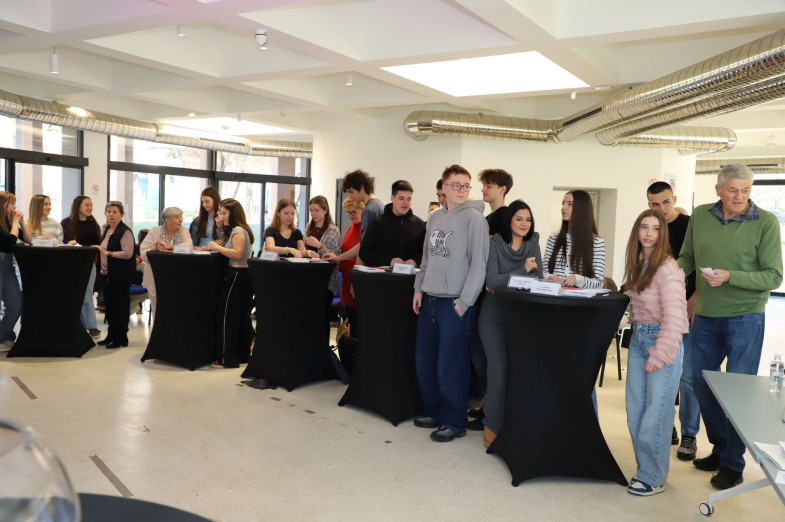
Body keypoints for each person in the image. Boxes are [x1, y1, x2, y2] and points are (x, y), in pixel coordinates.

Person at [678, 164, 783, 490]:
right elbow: (687, 258)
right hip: (706, 316)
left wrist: (729, 276)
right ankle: (721, 447)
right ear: (719, 190)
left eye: (746, 190)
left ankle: (734, 464)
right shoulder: (700, 215)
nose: (740, 196)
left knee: (738, 393)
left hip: (746, 317)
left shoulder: (766, 222)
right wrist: (669, 274)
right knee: (701, 383)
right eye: (733, 190)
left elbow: (773, 276)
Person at [412, 164, 489, 443]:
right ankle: (436, 412)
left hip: (455, 304)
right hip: (430, 299)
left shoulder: (475, 219)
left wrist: (464, 303)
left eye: (466, 186)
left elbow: (479, 265)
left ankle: (455, 422)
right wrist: (419, 288)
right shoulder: (434, 217)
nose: (462, 190)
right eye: (456, 185)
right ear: (444, 187)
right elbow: (427, 259)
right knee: (426, 362)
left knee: (451, 366)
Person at [621, 209, 688, 496]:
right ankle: (646, 470)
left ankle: (653, 477)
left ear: (663, 234)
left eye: (655, 228)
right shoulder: (640, 264)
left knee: (656, 413)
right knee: (635, 409)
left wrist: (659, 354)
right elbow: (637, 306)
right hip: (639, 339)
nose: (649, 233)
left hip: (662, 341)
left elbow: (675, 318)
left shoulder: (667, 267)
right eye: (644, 227)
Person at [478, 199, 543, 448]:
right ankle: (492, 426)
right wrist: (523, 271)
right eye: (519, 219)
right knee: (498, 368)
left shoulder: (533, 242)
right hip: (493, 312)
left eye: (528, 219)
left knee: (519, 369)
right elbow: (491, 282)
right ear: (509, 221)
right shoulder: (495, 243)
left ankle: (514, 424)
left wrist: (509, 281)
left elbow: (539, 278)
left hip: (521, 313)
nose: (524, 224)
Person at [647, 181, 700, 459]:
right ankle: (667, 426)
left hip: (687, 310)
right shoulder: (650, 228)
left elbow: (701, 263)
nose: (662, 208)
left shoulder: (691, 225)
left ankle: (689, 434)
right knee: (663, 375)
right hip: (658, 313)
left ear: (674, 199)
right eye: (655, 204)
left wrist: (695, 297)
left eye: (666, 202)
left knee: (688, 378)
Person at [206, 198, 255, 369]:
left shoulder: (238, 230)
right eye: (220, 212)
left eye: (224, 213)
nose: (220, 215)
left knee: (227, 316)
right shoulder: (237, 230)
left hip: (238, 275)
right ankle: (242, 355)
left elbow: (237, 253)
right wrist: (220, 230)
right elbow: (229, 245)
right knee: (240, 317)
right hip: (242, 276)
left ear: (233, 214)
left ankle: (227, 358)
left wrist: (216, 247)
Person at [543, 189, 606, 289]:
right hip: (553, 295)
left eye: (570, 204)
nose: (563, 208)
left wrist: (577, 279)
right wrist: (549, 277)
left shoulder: (597, 243)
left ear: (581, 209)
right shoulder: (553, 239)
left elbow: (598, 283)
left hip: (578, 298)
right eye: (563, 203)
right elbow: (543, 272)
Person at [139, 207, 193, 320]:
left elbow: (189, 247)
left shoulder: (184, 231)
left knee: (175, 307)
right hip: (155, 276)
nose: (181, 220)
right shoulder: (154, 231)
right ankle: (158, 330)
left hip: (177, 276)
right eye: (176, 217)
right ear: (167, 220)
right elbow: (143, 251)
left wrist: (169, 247)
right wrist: (155, 248)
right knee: (157, 306)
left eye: (181, 216)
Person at [358, 180, 425, 267]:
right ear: (392, 198)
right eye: (401, 199)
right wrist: (389, 261)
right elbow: (365, 253)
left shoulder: (420, 225)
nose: (405, 203)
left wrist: (416, 261)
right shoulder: (377, 223)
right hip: (383, 275)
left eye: (409, 199)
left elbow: (426, 253)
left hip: (411, 275)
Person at [62, 196, 103, 338]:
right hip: (70, 263)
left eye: (91, 205)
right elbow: (62, 242)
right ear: (78, 206)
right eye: (86, 205)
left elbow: (98, 245)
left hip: (88, 262)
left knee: (87, 294)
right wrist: (69, 243)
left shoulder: (93, 224)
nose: (90, 207)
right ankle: (75, 326)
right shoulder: (66, 223)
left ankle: (92, 326)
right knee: (72, 294)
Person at [96, 201, 135, 348]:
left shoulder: (125, 231)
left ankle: (121, 337)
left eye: (115, 212)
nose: (111, 215)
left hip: (120, 274)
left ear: (122, 215)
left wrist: (108, 253)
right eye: (109, 212)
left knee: (120, 306)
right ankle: (111, 335)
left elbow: (127, 253)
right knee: (110, 306)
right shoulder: (107, 229)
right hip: (107, 274)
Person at [323, 198, 364, 333]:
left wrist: (338, 258)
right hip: (346, 281)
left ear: (363, 210)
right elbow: (345, 253)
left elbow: (359, 254)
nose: (351, 215)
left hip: (356, 280)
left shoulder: (365, 230)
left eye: (354, 212)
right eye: (348, 212)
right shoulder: (350, 228)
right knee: (350, 322)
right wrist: (335, 258)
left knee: (358, 325)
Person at [0, 192, 29, 352]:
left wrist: (21, 222)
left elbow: (28, 239)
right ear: (3, 205)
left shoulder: (7, 222)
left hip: (7, 264)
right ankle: (5, 337)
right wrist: (15, 222)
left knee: (16, 304)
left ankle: (3, 336)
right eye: (12, 203)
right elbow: (10, 240)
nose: (15, 207)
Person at [304, 195, 341, 295]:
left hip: (326, 280)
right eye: (311, 211)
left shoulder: (333, 230)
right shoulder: (309, 228)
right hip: (309, 277)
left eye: (316, 210)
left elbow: (336, 257)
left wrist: (319, 246)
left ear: (325, 210)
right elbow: (304, 251)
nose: (313, 214)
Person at [341, 169, 384, 242]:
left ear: (362, 187)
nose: (350, 196)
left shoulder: (368, 210)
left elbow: (367, 245)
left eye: (351, 192)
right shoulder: (379, 204)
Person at [479, 168, 514, 236]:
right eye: (483, 185)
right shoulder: (487, 218)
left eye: (488, 186)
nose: (483, 190)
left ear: (503, 189)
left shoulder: (507, 218)